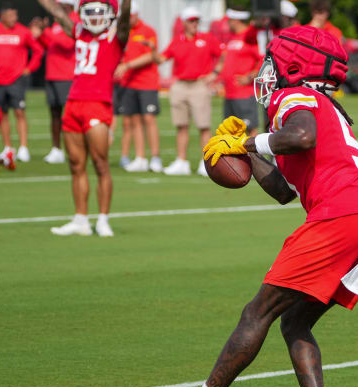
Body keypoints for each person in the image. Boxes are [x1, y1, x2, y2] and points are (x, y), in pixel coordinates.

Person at [162, 25, 358, 387]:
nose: (267, 72)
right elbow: (285, 192)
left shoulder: (294, 95)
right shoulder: (322, 106)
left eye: (271, 63)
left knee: (257, 313)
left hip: (341, 216)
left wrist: (247, 141)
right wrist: (250, 154)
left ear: (294, 66)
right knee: (294, 321)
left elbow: (302, 137)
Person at [37, 0, 131, 237]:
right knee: (76, 165)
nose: (96, 17)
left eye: (101, 12)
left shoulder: (115, 35)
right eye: (91, 12)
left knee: (100, 164)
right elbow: (57, 11)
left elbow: (126, 16)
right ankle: (80, 219)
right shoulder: (79, 31)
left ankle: (102, 218)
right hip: (74, 103)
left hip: (98, 105)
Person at [156, 7, 221, 176]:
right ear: (184, 22)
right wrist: (149, 50)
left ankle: (205, 162)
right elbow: (161, 58)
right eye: (191, 20)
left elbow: (223, 55)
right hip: (180, 85)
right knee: (181, 125)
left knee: (203, 126)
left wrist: (214, 74)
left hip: (199, 85)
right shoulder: (177, 40)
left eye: (197, 20)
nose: (195, 24)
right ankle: (181, 161)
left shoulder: (207, 38)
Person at [0, 2, 44, 162]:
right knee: (2, 114)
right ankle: (8, 147)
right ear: (2, 16)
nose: (15, 18)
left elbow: (38, 51)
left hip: (16, 79)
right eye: (11, 15)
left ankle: (23, 147)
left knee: (19, 112)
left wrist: (29, 68)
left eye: (16, 15)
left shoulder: (23, 31)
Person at [113, 0, 162, 173]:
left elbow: (150, 56)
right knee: (132, 121)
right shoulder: (122, 32)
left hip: (146, 82)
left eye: (129, 16)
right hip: (128, 83)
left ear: (136, 15)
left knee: (149, 119)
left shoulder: (148, 31)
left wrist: (127, 66)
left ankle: (155, 158)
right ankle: (140, 158)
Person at [33, 0, 78, 165]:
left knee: (68, 116)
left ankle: (72, 148)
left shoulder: (74, 20)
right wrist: (40, 35)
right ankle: (56, 149)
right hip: (52, 73)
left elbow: (67, 43)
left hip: (66, 75)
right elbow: (51, 45)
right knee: (54, 114)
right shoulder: (57, 22)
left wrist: (46, 32)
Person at [214, 8, 261, 138]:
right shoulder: (232, 38)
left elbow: (262, 60)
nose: (227, 24)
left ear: (235, 20)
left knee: (250, 129)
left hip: (244, 94)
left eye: (228, 21)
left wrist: (250, 76)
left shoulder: (250, 37)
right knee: (231, 132)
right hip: (230, 94)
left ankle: (253, 159)